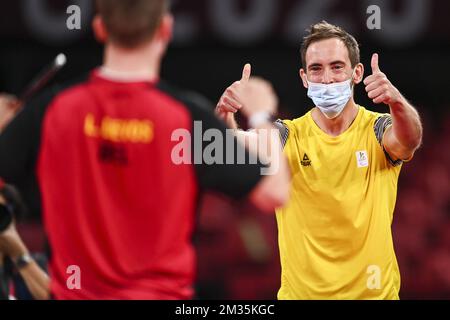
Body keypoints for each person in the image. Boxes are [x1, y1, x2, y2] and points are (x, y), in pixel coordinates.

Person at [0, 0, 289, 299]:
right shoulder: (187, 117)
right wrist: (260, 115)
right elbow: (275, 191)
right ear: (165, 29)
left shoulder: (51, 110)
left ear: (99, 28)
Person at [216, 21, 423, 299]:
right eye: (316, 69)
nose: (326, 79)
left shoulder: (379, 130)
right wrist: (225, 117)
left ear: (357, 72)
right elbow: (230, 152)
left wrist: (396, 102)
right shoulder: (286, 135)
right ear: (304, 78)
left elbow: (409, 139)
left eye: (337, 67)